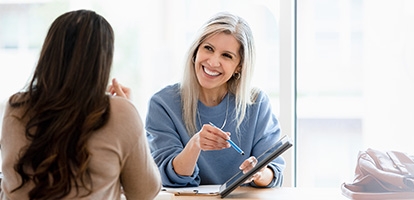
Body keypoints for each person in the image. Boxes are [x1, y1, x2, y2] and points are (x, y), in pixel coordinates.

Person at [0, 10, 161, 200]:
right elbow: (144, 192)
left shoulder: (16, 107)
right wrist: (128, 111)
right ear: (102, 61)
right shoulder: (120, 112)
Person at [144, 12, 285, 187]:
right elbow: (168, 177)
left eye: (227, 56)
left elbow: (274, 171)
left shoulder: (256, 103)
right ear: (196, 50)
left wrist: (259, 173)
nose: (213, 62)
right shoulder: (163, 104)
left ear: (239, 66)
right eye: (208, 48)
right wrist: (195, 144)